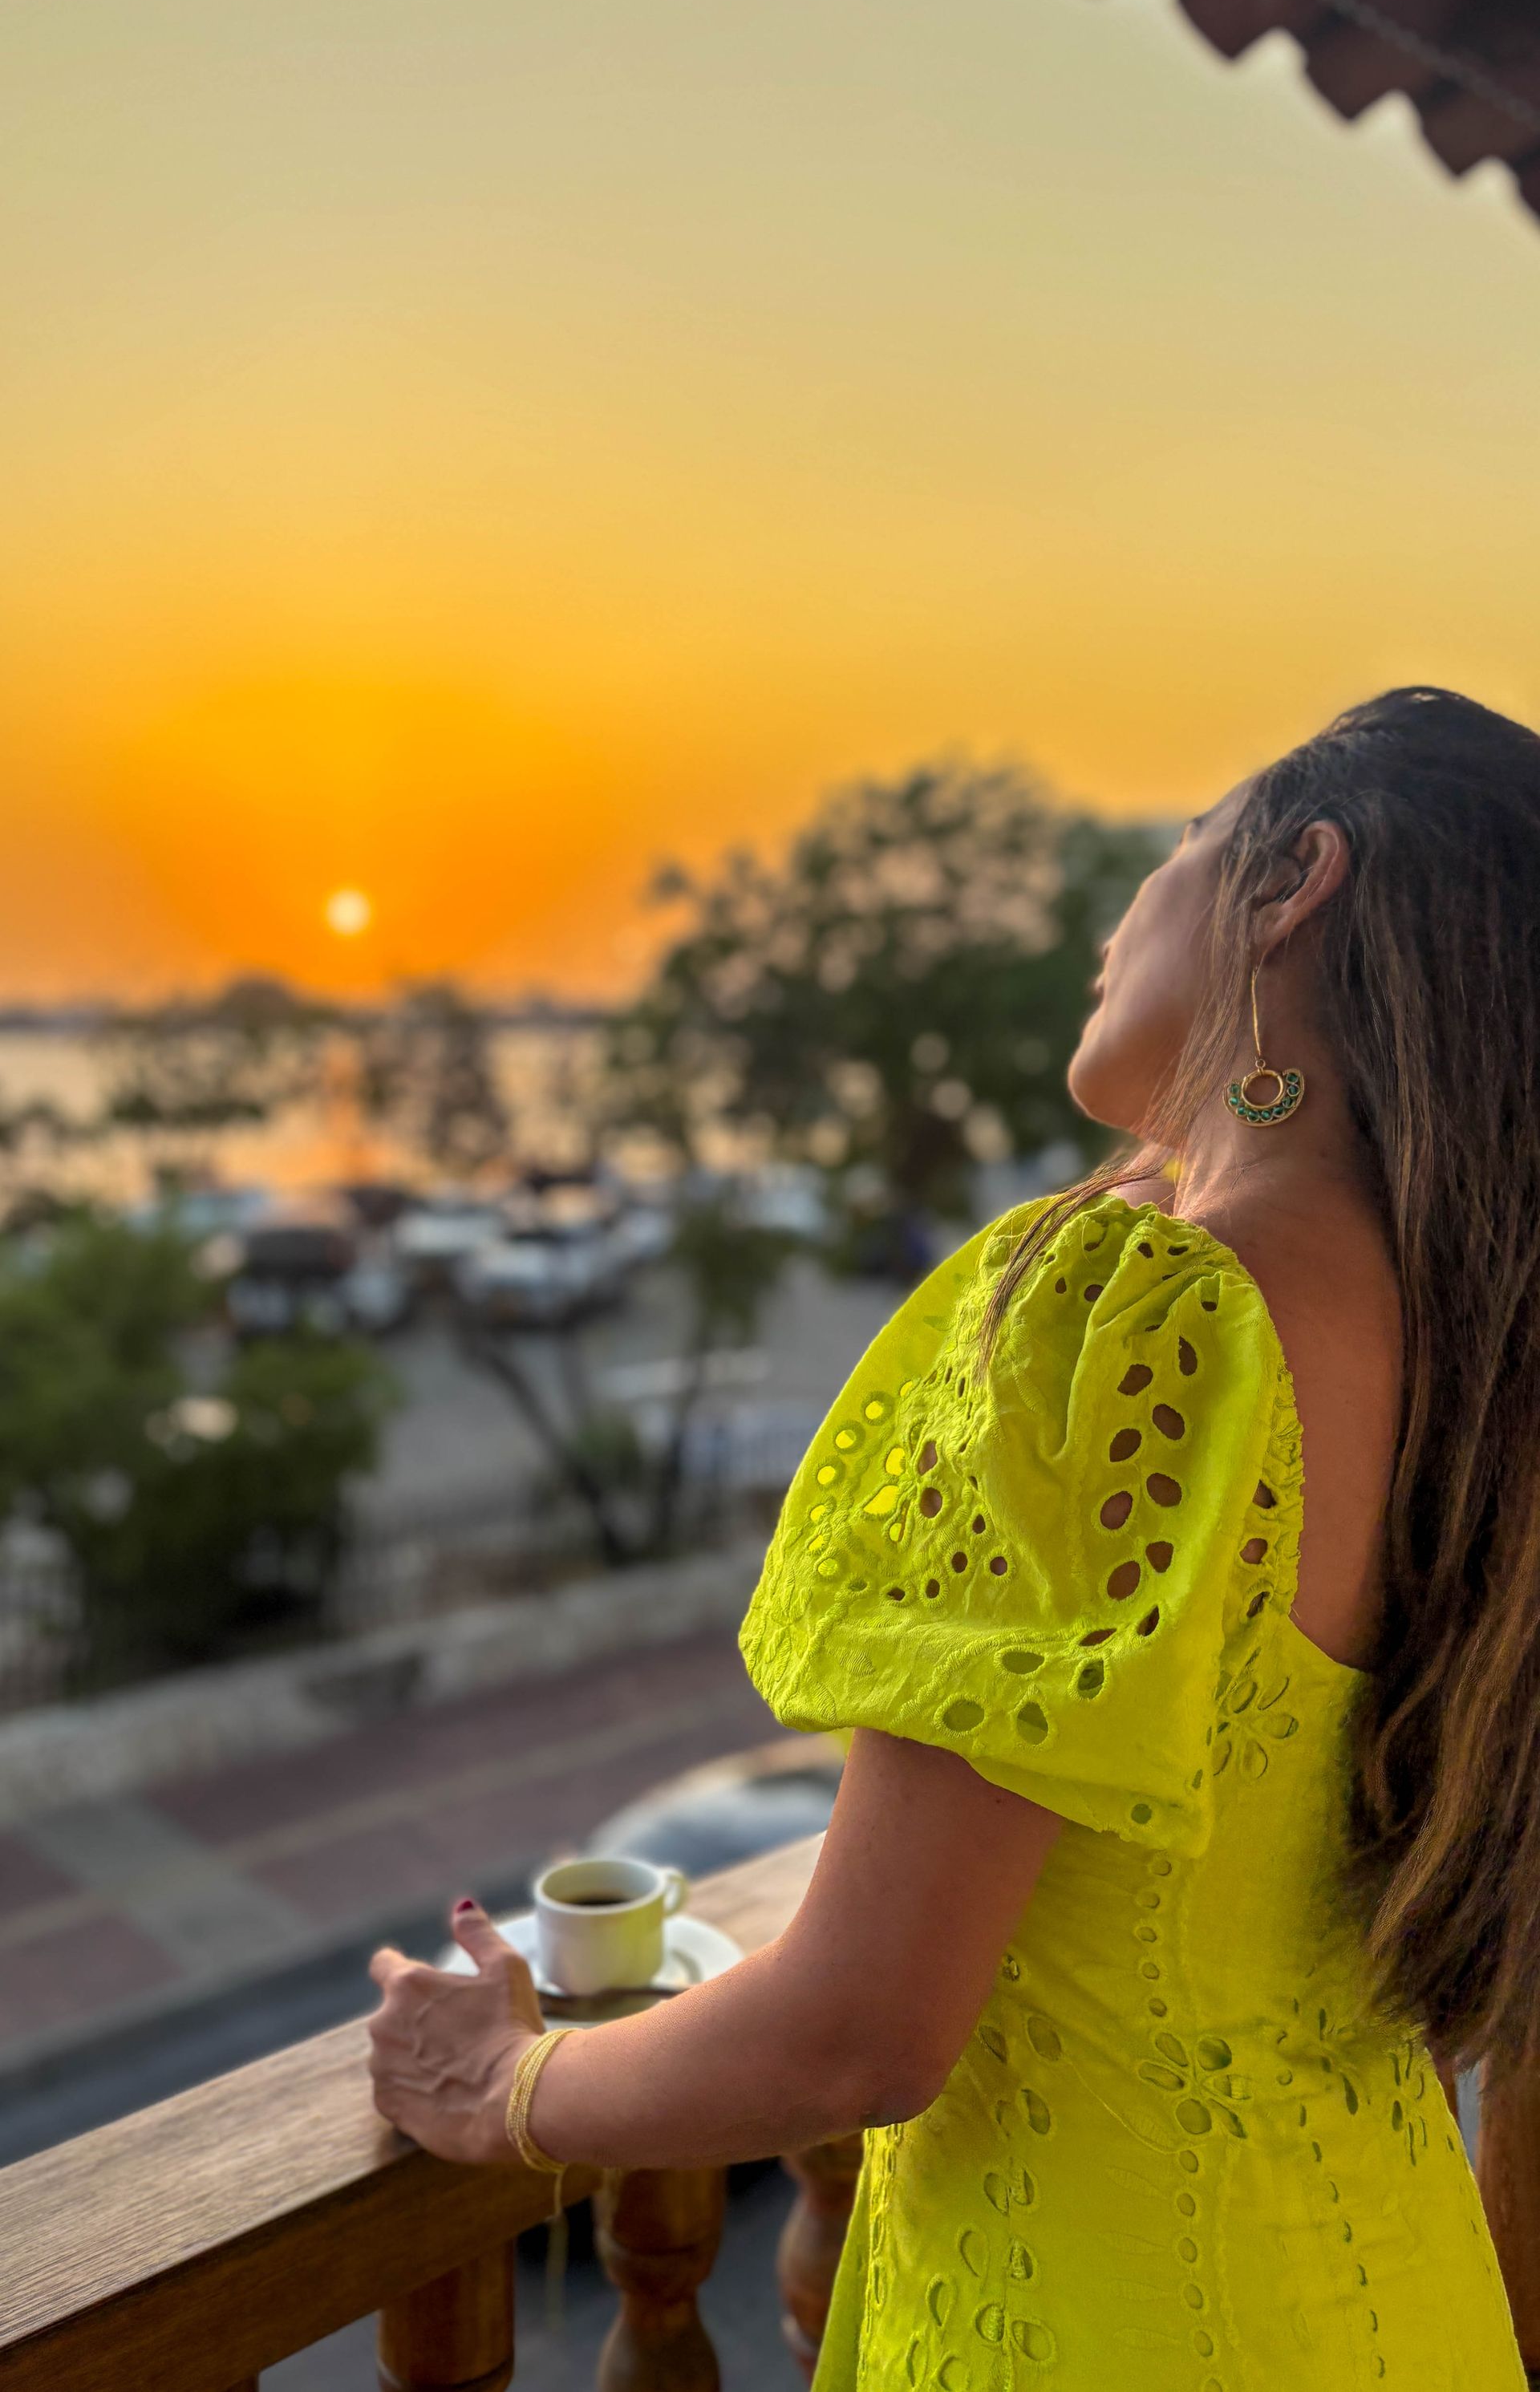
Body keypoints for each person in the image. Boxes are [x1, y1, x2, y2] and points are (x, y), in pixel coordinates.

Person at [369, 686, 1537, 2387]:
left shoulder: (1129, 1317)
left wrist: (506, 2088)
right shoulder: (1476, 1350)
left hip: (1104, 2322)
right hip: (1391, 2303)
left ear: (1295, 887)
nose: (1111, 923)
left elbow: (861, 2034)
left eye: (1175, 853)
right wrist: (1192, 1136)